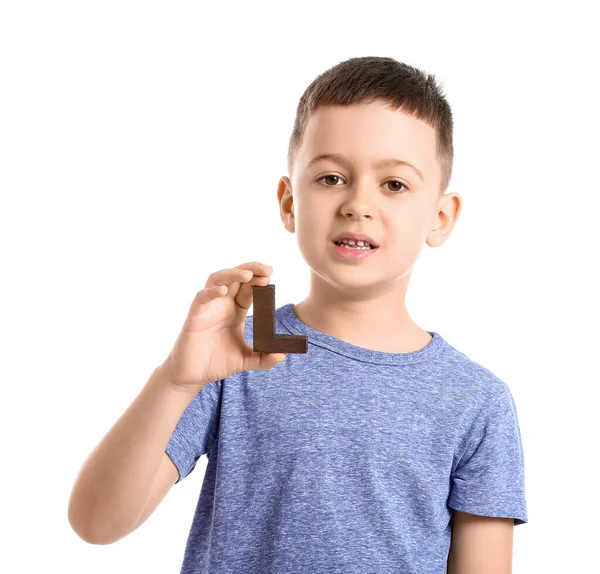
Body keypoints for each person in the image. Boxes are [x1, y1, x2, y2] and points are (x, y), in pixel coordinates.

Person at [68, 56, 528, 573]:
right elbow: (95, 523)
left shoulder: (475, 399)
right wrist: (175, 381)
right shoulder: (241, 354)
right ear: (289, 202)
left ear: (440, 217)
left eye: (394, 185)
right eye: (331, 177)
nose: (358, 204)